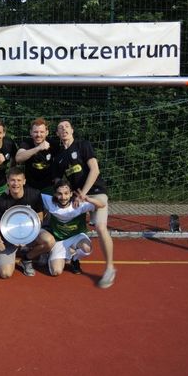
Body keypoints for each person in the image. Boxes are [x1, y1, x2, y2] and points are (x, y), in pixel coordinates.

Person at [53, 119, 116, 288]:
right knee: (59, 214)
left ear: (72, 130)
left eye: (66, 126)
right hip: (78, 196)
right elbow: (59, 181)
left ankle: (109, 267)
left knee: (101, 227)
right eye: (60, 128)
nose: (64, 129)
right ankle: (62, 253)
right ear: (57, 134)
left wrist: (83, 194)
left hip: (96, 193)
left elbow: (95, 170)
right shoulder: (59, 157)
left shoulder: (83, 145)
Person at [0, 167, 55, 278]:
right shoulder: (1, 200)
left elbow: (39, 219)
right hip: (8, 238)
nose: (16, 183)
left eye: (19, 180)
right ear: (7, 181)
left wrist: (26, 237)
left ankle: (26, 259)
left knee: (49, 241)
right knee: (5, 274)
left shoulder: (34, 194)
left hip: (30, 233)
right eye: (12, 180)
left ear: (24, 181)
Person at [42, 179, 105, 276]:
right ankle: (55, 253)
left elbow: (102, 204)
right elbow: (31, 194)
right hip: (59, 240)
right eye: (59, 194)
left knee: (87, 248)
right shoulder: (49, 201)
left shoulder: (79, 205)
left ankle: (75, 259)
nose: (63, 197)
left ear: (71, 194)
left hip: (77, 237)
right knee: (56, 272)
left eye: (66, 193)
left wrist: (87, 198)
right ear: (55, 194)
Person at [15, 117, 58, 194]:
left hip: (48, 186)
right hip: (30, 186)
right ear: (31, 132)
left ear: (47, 132)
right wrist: (38, 148)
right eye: (35, 132)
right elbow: (18, 158)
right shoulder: (27, 143)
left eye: (41, 132)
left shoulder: (53, 144)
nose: (38, 135)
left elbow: (60, 162)